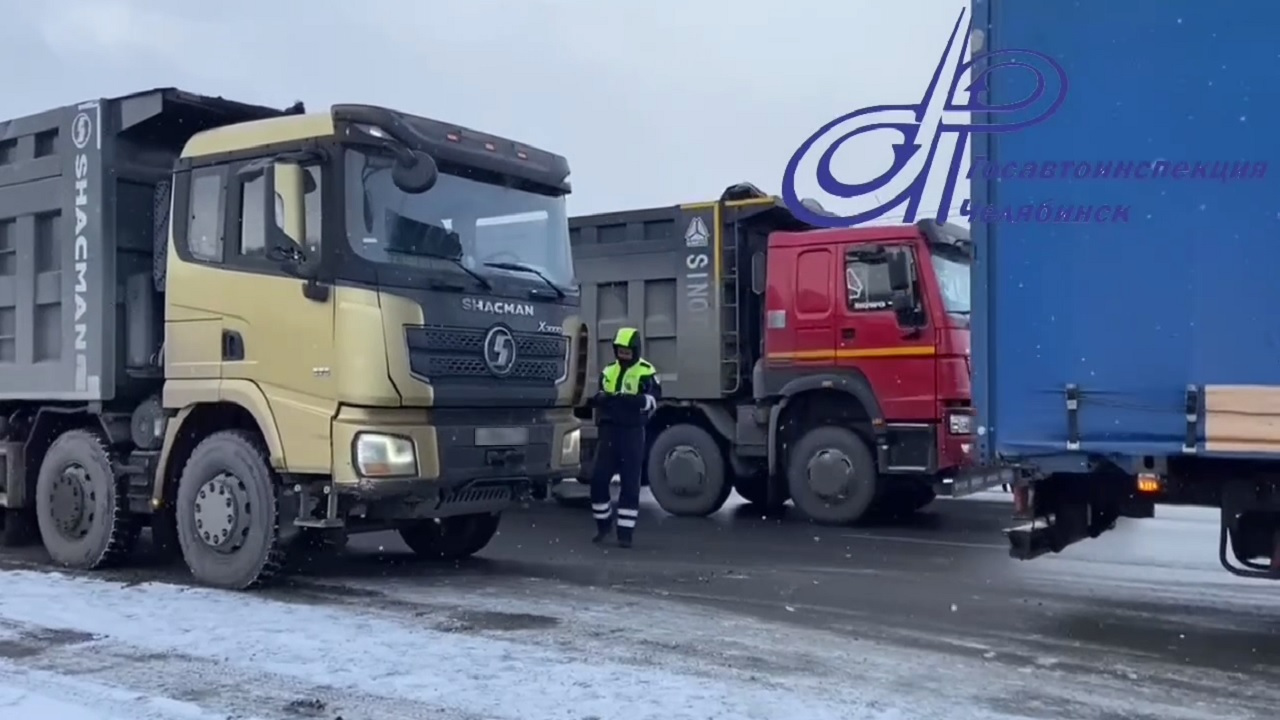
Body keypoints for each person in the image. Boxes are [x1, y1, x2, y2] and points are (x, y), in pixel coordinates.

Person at [589, 327, 659, 548]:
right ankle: (603, 526)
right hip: (609, 431)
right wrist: (600, 399)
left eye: (627, 352)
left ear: (636, 351)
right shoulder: (608, 370)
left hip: (632, 433)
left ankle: (625, 534)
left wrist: (637, 401)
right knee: (598, 481)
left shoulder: (647, 371)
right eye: (620, 351)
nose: (623, 355)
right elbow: (600, 392)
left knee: (630, 485)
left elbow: (654, 400)